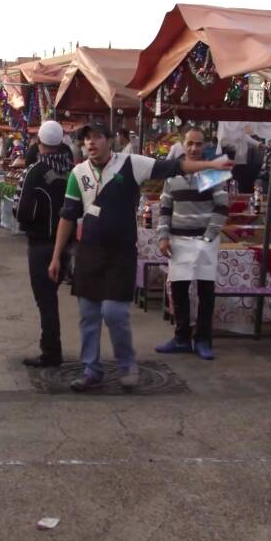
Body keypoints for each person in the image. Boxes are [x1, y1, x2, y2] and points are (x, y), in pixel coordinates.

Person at [48, 123, 232, 391]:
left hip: (121, 253)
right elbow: (67, 216)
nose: (91, 143)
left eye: (97, 137)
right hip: (88, 252)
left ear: (110, 140)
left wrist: (209, 166)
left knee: (114, 313)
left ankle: (127, 365)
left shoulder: (131, 164)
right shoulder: (78, 173)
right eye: (86, 139)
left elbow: (173, 168)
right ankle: (91, 369)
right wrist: (56, 256)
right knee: (88, 315)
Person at [154, 128, 229, 361]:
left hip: (205, 239)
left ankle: (204, 339)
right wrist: (163, 235)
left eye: (198, 144)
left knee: (206, 291)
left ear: (205, 146)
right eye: (190, 143)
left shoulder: (212, 171)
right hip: (178, 239)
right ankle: (181, 338)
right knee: (178, 290)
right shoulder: (173, 173)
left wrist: (209, 235)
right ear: (183, 144)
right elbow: (165, 207)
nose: (194, 148)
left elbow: (222, 206)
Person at [15, 120, 72, 368]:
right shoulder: (71, 170)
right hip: (66, 244)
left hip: (40, 244)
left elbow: (21, 209)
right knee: (51, 297)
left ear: (40, 142)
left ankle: (51, 351)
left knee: (45, 300)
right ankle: (51, 347)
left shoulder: (35, 171)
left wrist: (30, 223)